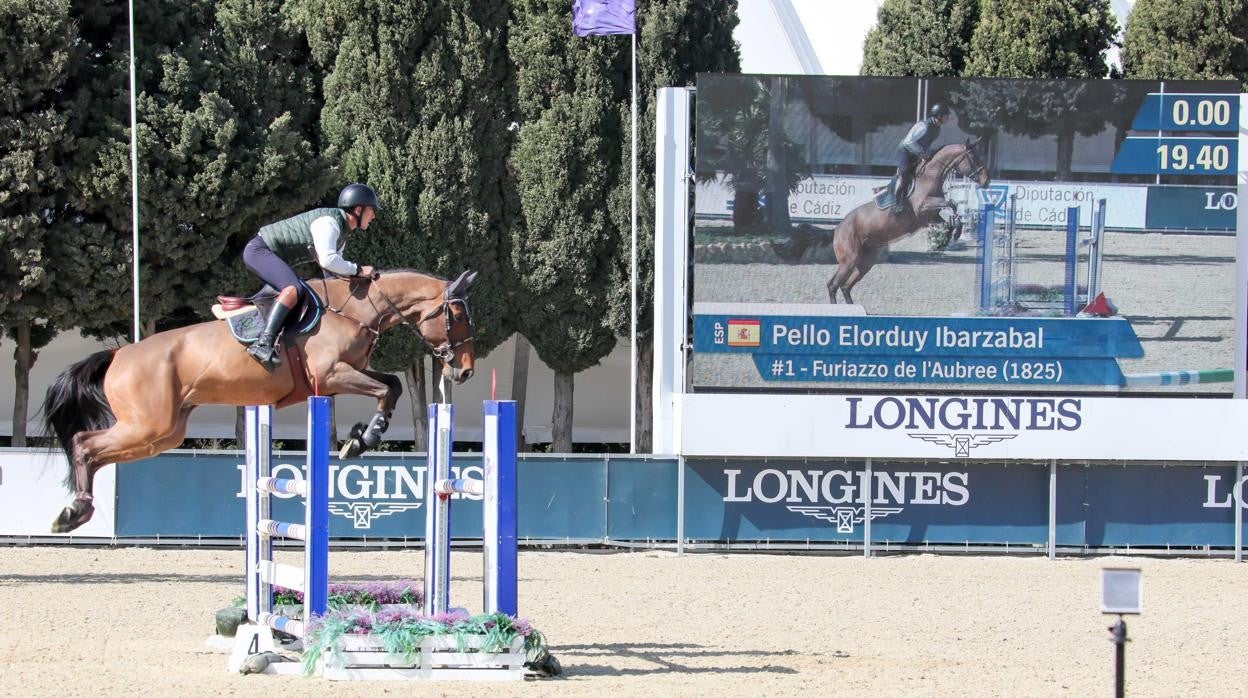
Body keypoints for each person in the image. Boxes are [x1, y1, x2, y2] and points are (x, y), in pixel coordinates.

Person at [241, 183, 382, 368]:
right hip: (259, 250)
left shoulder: (341, 231)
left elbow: (332, 274)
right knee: (293, 289)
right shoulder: (329, 223)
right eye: (371, 210)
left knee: (304, 293)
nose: (373, 216)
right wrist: (358, 269)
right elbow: (328, 260)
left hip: (266, 253)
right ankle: (263, 343)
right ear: (358, 209)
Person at [893, 103, 952, 214]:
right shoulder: (923, 126)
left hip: (917, 153)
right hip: (905, 151)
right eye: (946, 116)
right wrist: (922, 153)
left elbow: (926, 143)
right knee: (904, 174)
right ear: (939, 115)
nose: (947, 118)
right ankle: (898, 203)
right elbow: (908, 142)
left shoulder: (937, 128)